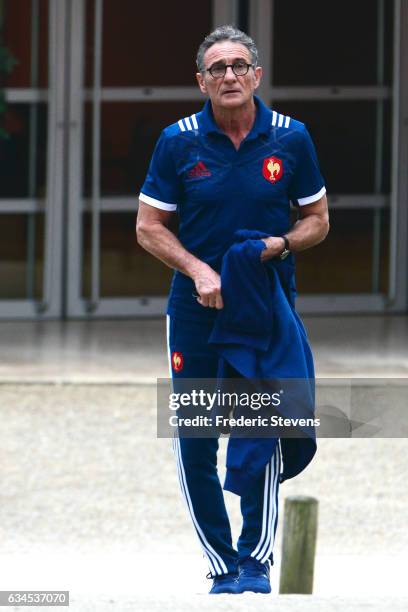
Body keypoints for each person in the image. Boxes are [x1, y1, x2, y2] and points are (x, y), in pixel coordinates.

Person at [136, 25, 329, 595]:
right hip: (195, 313)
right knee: (197, 435)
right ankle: (220, 562)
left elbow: (318, 221)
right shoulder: (178, 141)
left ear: (257, 75)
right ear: (201, 81)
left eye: (238, 66)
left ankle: (256, 560)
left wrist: (282, 245)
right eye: (216, 68)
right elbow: (149, 228)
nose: (229, 76)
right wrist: (198, 270)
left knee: (260, 427)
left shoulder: (292, 138)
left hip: (265, 309)